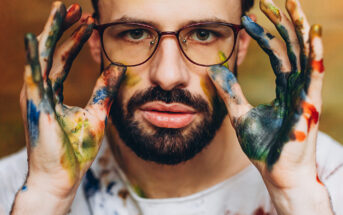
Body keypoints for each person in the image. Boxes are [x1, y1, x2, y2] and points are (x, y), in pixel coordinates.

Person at [0, 0, 342, 214]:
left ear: (240, 46)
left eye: (204, 34)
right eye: (134, 33)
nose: (167, 76)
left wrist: (295, 196)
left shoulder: (325, 185)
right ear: (95, 44)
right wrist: (48, 197)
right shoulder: (17, 189)